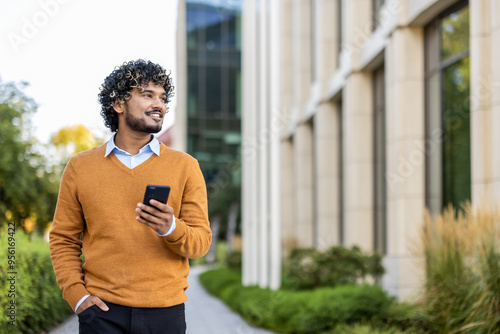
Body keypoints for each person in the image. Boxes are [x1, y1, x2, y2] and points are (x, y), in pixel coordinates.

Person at [49, 59, 212, 334]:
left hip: (166, 316)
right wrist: (77, 298)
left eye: (163, 97)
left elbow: (201, 243)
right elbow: (63, 239)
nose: (159, 104)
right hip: (101, 315)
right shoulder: (81, 166)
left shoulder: (186, 166)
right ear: (118, 104)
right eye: (147, 95)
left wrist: (170, 228)